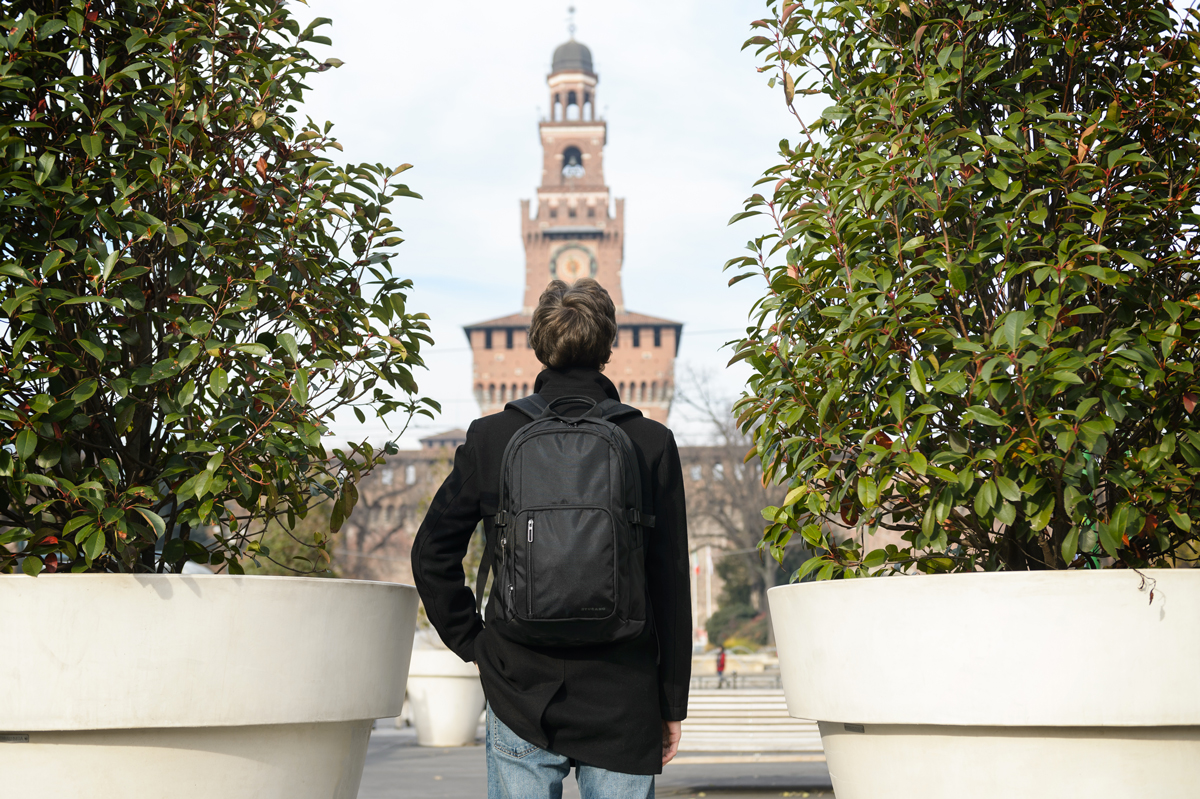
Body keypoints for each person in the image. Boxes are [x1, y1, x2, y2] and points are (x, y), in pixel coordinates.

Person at [412, 278, 692, 799]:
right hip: (623, 696)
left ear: (538, 345)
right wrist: (672, 703)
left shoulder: (491, 437)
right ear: (611, 347)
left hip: (519, 686)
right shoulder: (652, 442)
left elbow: (431, 553)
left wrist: (474, 643)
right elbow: (671, 583)